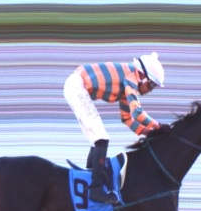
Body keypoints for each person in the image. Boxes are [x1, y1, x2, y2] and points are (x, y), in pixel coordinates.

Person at [67, 52, 169, 198]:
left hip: (75, 86)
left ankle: (90, 176)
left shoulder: (127, 81)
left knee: (97, 139)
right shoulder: (131, 77)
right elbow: (137, 113)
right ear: (143, 76)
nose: (150, 90)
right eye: (151, 85)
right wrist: (158, 126)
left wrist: (147, 132)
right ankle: (96, 189)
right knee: (101, 138)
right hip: (77, 86)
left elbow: (127, 118)